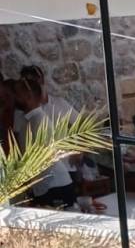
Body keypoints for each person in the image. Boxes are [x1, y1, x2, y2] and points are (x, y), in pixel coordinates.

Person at [12, 66, 91, 209]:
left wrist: (80, 149)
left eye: (18, 93)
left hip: (54, 180)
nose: (14, 97)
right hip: (45, 182)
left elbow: (46, 160)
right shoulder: (27, 117)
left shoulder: (44, 117)